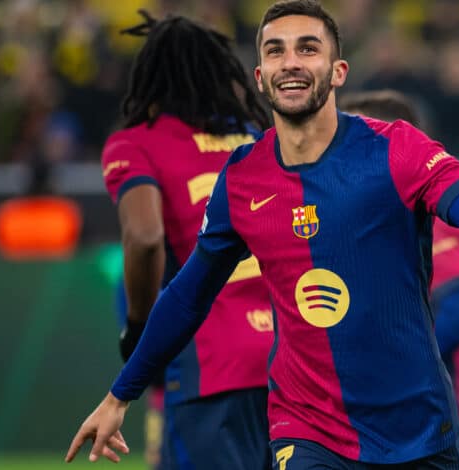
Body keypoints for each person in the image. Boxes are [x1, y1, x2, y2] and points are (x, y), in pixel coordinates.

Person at [66, 1, 459, 468]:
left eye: (308, 48)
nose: (291, 61)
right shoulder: (241, 179)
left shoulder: (397, 150)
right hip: (306, 429)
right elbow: (189, 293)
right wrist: (122, 393)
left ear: (337, 70)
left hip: (419, 427)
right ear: (261, 76)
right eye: (276, 50)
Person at [98, 11, 273, 469]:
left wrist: (139, 330)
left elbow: (145, 236)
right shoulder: (255, 139)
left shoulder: (136, 143)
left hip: (207, 365)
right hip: (287, 362)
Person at [340, 90, 459, 470]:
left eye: (354, 131)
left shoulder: (427, 210)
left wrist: (391, 359)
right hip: (397, 427)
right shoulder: (360, 217)